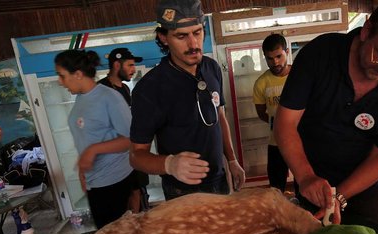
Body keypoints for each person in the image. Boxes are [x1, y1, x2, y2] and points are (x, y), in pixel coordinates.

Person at [274, 0, 378, 226]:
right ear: (367, 29)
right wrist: (305, 176)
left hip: (367, 194)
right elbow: (285, 123)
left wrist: (339, 197)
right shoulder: (319, 55)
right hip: (311, 184)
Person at [130, 0, 245, 200]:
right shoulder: (150, 88)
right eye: (181, 36)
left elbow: (220, 117)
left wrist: (232, 160)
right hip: (182, 192)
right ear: (163, 38)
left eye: (197, 32)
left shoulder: (212, 68)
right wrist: (169, 164)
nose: (193, 44)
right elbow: (136, 156)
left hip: (219, 180)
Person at [55, 49, 133, 229]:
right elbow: (88, 136)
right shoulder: (82, 98)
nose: (60, 82)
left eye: (62, 76)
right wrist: (83, 171)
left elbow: (130, 139)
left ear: (78, 74)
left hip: (113, 180)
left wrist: (92, 150)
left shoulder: (109, 97)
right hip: (94, 180)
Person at [98, 48, 149, 213]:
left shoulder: (126, 89)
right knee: (121, 196)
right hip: (114, 156)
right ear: (116, 65)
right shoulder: (101, 91)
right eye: (130, 65)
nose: (134, 70)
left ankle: (134, 224)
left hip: (132, 150)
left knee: (137, 189)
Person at [252, 34, 291, 192]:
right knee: (276, 189)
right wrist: (278, 123)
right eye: (269, 58)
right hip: (276, 143)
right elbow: (261, 113)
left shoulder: (299, 76)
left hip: (303, 140)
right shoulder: (261, 83)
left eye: (278, 56)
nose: (275, 62)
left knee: (304, 186)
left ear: (286, 52)